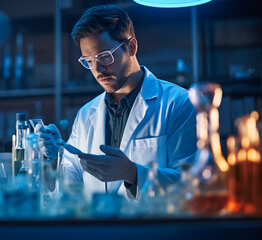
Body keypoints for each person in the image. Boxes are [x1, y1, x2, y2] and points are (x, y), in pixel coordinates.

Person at [39, 5, 197, 200]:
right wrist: (56, 160)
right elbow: (73, 185)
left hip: (152, 227)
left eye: (104, 56)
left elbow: (193, 184)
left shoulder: (179, 103)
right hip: (100, 227)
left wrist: (132, 173)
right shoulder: (86, 113)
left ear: (131, 47)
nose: (97, 69)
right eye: (88, 60)